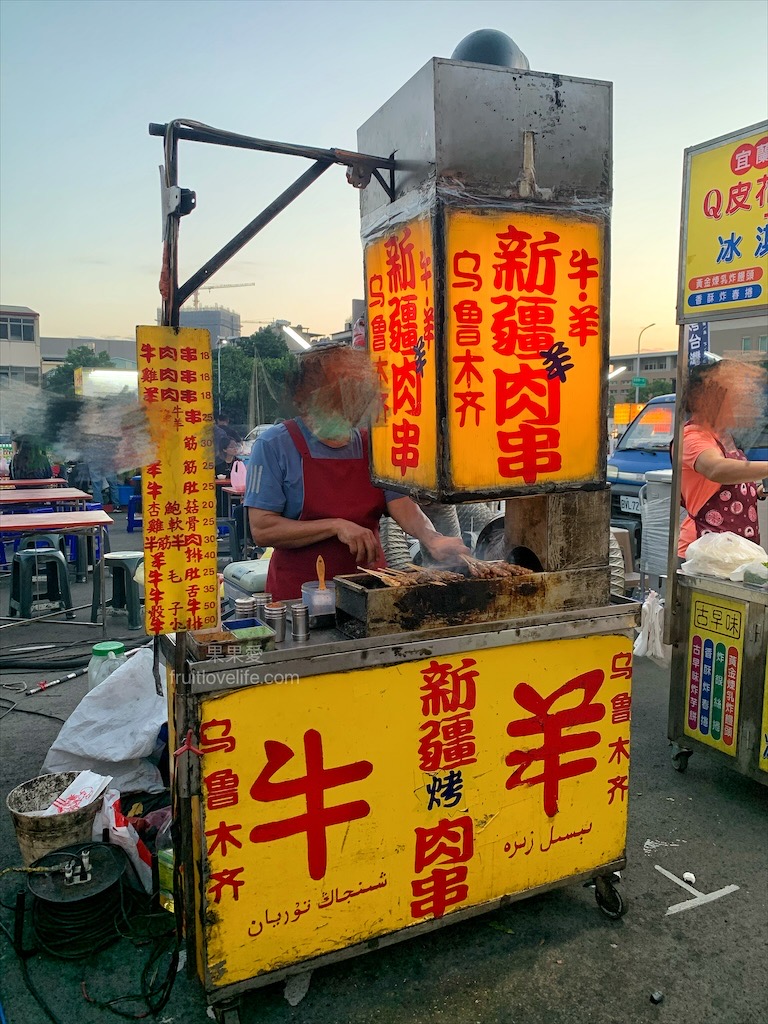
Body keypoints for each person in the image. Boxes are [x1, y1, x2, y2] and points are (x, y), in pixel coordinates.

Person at [244, 343, 469, 600]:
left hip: (368, 589)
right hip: (299, 596)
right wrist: (336, 526)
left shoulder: (371, 445)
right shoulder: (274, 445)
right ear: (304, 398)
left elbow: (401, 503)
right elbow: (262, 529)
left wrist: (431, 538)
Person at [678, 361, 767, 559]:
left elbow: (730, 483)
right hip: (702, 552)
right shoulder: (692, 436)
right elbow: (716, 469)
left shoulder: (723, 437)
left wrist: (759, 492)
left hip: (736, 552)